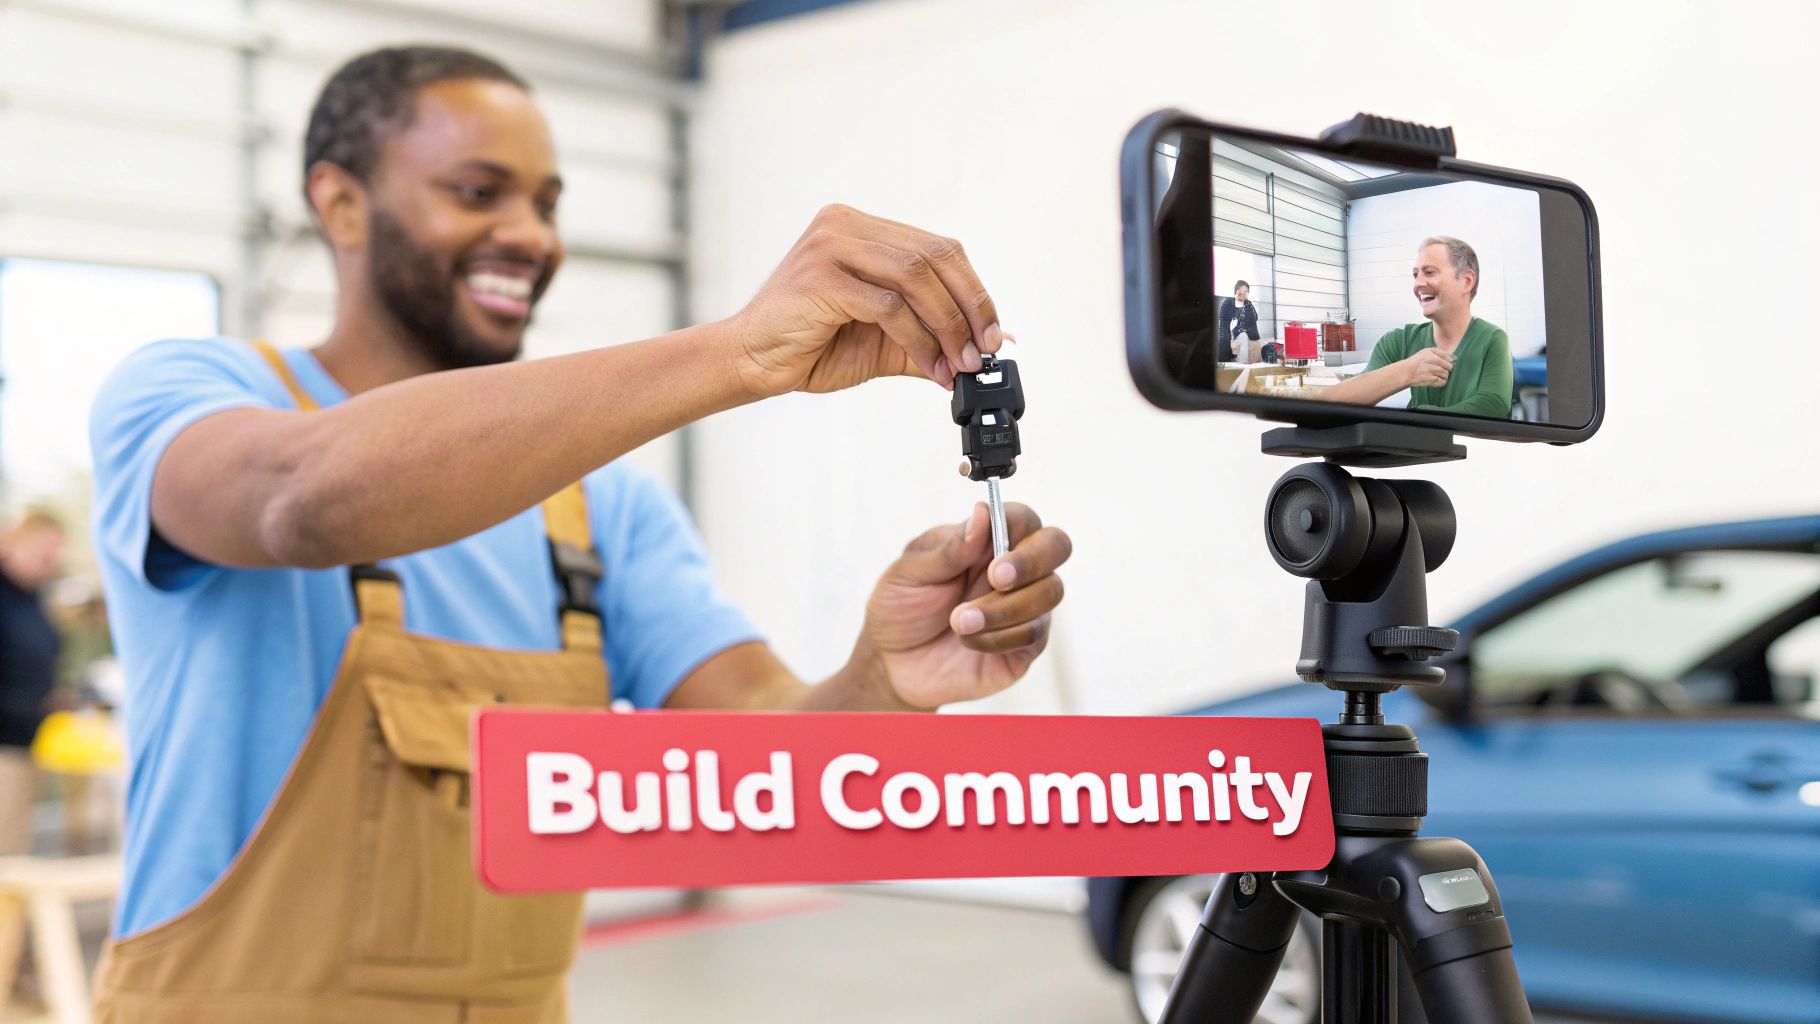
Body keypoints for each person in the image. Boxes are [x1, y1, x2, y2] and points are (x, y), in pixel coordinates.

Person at [87, 46, 1072, 1022]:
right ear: (340, 204)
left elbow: (774, 766)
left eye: (547, 204)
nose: (527, 235)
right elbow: (299, 502)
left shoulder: (601, 512)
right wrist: (733, 350)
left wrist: (884, 681)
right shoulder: (188, 396)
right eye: (479, 192)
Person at [1316, 236, 1514, 418]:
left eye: (1429, 272)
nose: (1418, 284)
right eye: (1415, 275)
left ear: (1467, 281)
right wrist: (1408, 370)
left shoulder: (1492, 339)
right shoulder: (1397, 341)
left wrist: (1416, 416)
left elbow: (1493, 406)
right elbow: (1330, 404)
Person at [0, 510, 64, 856]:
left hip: (29, 741)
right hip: (5, 741)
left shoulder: (33, 599)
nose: (52, 558)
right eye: (45, 548)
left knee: (15, 856)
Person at [1217, 280, 1261, 362]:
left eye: (1246, 292)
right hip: (1235, 337)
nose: (1243, 294)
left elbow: (1255, 318)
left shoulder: (1249, 304)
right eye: (1240, 291)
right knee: (1243, 337)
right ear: (1236, 291)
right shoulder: (1228, 303)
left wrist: (1248, 305)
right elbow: (1223, 327)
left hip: (1251, 338)